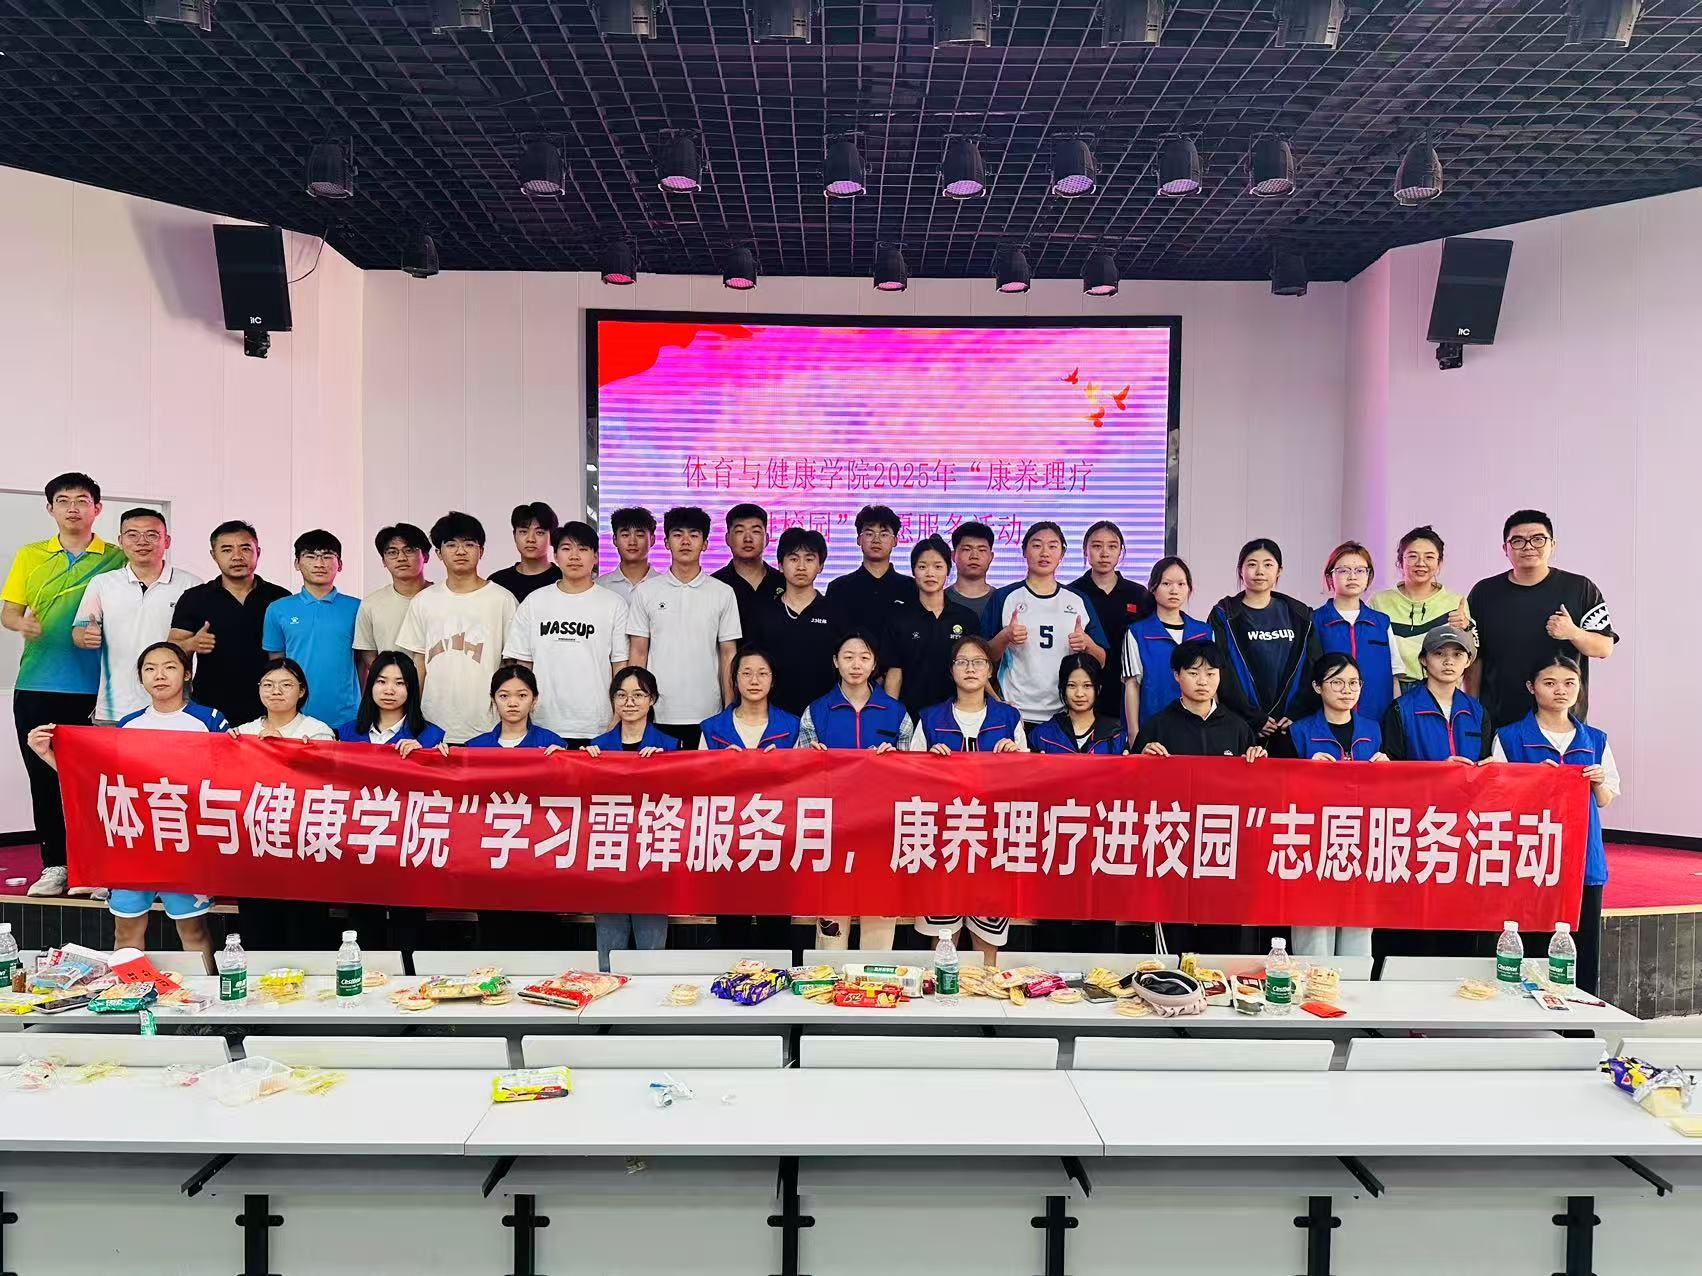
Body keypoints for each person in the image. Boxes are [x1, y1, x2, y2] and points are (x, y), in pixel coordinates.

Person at [27, 642, 222, 961]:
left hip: (184, 843)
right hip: (133, 843)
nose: (160, 675)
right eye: (150, 669)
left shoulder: (209, 720)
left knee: (193, 931)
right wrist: (48, 755)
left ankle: (206, 992)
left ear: (187, 674)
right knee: (127, 931)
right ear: (141, 678)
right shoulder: (129, 724)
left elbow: (229, 778)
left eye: (170, 667)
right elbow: (98, 779)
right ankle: (129, 988)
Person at [3, 473, 127, 897]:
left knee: (96, 783)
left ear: (97, 508)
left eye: (82, 500)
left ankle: (98, 869)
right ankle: (55, 865)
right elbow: (9, 612)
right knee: (44, 778)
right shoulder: (30, 555)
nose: (73, 508)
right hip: (37, 684)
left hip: (99, 689)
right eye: (63, 500)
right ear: (50, 508)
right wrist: (21, 624)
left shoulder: (117, 557)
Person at [1491, 653, 1619, 994]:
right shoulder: (1510, 737)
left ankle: (1579, 1014)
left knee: (1581, 945)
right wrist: (1532, 781)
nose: (1560, 690)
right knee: (1529, 941)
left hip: (1583, 858)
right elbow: (1497, 798)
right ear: (1531, 687)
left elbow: (1605, 798)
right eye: (1549, 683)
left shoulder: (1595, 739)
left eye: (1569, 683)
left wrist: (1597, 781)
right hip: (1530, 857)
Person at [797, 629, 913, 951]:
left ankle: (875, 977)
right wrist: (810, 760)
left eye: (864, 657)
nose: (856, 665)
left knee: (879, 924)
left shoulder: (896, 713)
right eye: (848, 657)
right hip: (833, 832)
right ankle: (830, 976)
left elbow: (914, 776)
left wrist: (897, 761)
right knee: (832, 929)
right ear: (836, 662)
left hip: (881, 830)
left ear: (875, 663)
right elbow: (799, 779)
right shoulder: (816, 711)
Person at [1467, 510, 1618, 727]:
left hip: (1564, 723)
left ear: (1552, 545)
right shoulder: (1484, 592)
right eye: (1518, 541)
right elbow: (1475, 658)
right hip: (1499, 720)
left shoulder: (1580, 589)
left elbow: (1604, 648)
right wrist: (1472, 709)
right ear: (1505, 549)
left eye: (1538, 539)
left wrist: (1573, 633)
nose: (1528, 546)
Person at [1287, 654, 1387, 960]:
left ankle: (1357, 987)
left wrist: (1388, 770)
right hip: (1313, 842)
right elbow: (1280, 790)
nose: (1347, 690)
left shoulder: (1374, 730)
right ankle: (1313, 985)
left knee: (1359, 926)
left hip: (1361, 841)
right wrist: (1304, 772)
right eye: (1337, 682)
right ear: (1317, 687)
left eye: (1354, 683)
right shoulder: (1298, 732)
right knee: (1315, 926)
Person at [583, 666, 678, 970]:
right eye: (622, 695)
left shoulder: (672, 746)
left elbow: (683, 800)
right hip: (609, 854)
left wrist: (664, 766)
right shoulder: (596, 747)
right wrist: (580, 764)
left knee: (651, 951)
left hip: (652, 855)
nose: (629, 702)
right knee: (608, 952)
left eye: (638, 695)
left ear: (652, 700)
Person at [395, 511, 518, 744]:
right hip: (432, 722)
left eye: (469, 544)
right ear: (438, 553)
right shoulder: (424, 601)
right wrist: (412, 717)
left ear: (481, 551)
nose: (460, 551)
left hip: (488, 724)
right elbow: (418, 664)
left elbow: (511, 664)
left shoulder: (502, 600)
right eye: (451, 545)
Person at [503, 521, 629, 747]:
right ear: (556, 556)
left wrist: (618, 714)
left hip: (597, 723)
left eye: (583, 549)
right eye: (566, 548)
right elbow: (523, 666)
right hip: (542, 722)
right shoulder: (534, 602)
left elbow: (620, 666)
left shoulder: (614, 604)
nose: (574, 556)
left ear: (595, 557)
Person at [625, 506, 740, 749]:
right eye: (677, 534)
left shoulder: (722, 592)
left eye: (694, 535)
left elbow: (728, 653)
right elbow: (638, 652)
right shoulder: (646, 592)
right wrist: (636, 703)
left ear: (705, 544)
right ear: (666, 542)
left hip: (708, 711)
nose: (685, 541)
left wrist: (729, 708)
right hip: (657, 711)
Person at [74, 506, 200, 727]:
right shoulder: (103, 583)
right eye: (132, 535)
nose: (142, 542)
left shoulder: (191, 585)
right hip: (115, 708)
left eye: (152, 535)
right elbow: (79, 632)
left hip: (176, 710)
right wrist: (85, 636)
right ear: (120, 541)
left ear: (167, 541)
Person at [168, 520, 290, 732]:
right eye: (226, 550)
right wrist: (192, 643)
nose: (237, 556)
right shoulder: (195, 598)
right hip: (210, 706)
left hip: (271, 705)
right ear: (213, 555)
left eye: (245, 549)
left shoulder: (280, 598)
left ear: (258, 552)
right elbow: (171, 650)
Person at [984, 521, 1107, 726]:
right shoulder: (1004, 597)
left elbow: (1101, 660)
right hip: (1014, 711)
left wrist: (1087, 644)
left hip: (1065, 713)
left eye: (1052, 546)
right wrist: (1005, 637)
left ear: (1062, 554)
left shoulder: (1077, 599)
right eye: (1036, 545)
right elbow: (985, 657)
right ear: (1024, 551)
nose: (1044, 553)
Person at [1208, 538, 1320, 758]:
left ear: (1279, 571)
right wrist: (1253, 717)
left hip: (1290, 726)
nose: (1260, 571)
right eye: (1252, 564)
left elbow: (1313, 666)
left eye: (1268, 564)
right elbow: (1221, 670)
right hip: (1242, 725)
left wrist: (1296, 713)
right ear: (1240, 570)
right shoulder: (1224, 614)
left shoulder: (1299, 614)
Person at [262, 529, 360, 730]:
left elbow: (364, 662)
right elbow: (277, 664)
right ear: (297, 563)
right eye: (310, 556)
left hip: (347, 716)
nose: (319, 563)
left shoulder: (358, 608)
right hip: (295, 717)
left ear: (340, 564)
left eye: (327, 556)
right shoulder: (278, 609)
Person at [882, 535, 979, 719]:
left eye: (938, 566)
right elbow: (895, 674)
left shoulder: (966, 618)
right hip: (911, 715)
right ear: (913, 571)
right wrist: (890, 718)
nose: (930, 573)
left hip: (958, 716)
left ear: (948, 570)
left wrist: (996, 701)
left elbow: (976, 669)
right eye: (922, 566)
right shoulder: (899, 619)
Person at [1367, 525, 1473, 688]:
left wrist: (1466, 628)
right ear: (1400, 561)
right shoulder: (1379, 601)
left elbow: (1470, 655)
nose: (1421, 563)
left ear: (1439, 563)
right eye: (1412, 556)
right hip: (1390, 688)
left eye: (1429, 557)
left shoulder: (1455, 602)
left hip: (1438, 689)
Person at [1068, 520, 1152, 722]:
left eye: (1112, 546)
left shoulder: (1138, 594)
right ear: (1085, 550)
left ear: (1120, 551)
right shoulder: (1072, 593)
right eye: (1097, 546)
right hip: (1082, 689)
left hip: (1128, 688)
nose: (1104, 553)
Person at [1133, 640, 1268, 761]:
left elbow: (1252, 777)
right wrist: (1143, 758)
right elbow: (1134, 773)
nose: (1202, 682)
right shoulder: (1156, 727)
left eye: (1210, 674)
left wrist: (1257, 758)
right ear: (1177, 675)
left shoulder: (1238, 727)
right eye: (1193, 673)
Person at [754, 527, 840, 715]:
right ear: (780, 565)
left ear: (821, 566)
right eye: (793, 559)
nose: (801, 567)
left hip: (825, 713)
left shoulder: (835, 612)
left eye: (809, 559)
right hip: (773, 714)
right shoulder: (764, 613)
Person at [1122, 555, 1212, 735]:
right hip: (1153, 729)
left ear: (1189, 588)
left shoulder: (1204, 632)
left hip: (1197, 728)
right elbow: (1132, 685)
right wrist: (1134, 735)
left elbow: (1212, 683)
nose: (1174, 590)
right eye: (1166, 583)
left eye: (1181, 584)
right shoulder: (1137, 633)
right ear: (1153, 588)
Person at [1314, 541, 1402, 723]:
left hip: (1376, 722)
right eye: (1343, 570)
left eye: (1360, 570)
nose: (1352, 576)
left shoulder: (1381, 622)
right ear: (1330, 577)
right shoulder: (1315, 621)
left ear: (1369, 576)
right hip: (1328, 723)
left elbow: (1394, 678)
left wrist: (1396, 722)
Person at [1382, 626, 1493, 764]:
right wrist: (1440, 771)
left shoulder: (1478, 712)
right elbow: (1393, 770)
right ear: (1423, 659)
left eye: (1457, 654)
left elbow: (1483, 765)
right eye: (1439, 653)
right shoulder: (1400, 710)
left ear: (1468, 661)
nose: (1449, 661)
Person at [355, 523, 431, 680]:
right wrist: (391, 681)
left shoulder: (442, 599)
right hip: (393, 690)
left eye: (409, 550)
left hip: (438, 688)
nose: (401, 558)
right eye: (392, 552)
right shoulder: (371, 604)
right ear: (383, 561)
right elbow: (368, 652)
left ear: (425, 556)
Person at [334, 651, 447, 754]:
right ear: (370, 685)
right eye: (381, 681)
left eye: (399, 683)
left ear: (411, 688)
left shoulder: (431, 737)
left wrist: (426, 753)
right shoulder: (346, 734)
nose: (389, 691)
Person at [824, 504, 915, 621]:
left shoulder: (910, 588)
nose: (876, 540)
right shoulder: (838, 588)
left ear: (895, 541)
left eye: (884, 534)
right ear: (859, 539)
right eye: (869, 534)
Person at [699, 647, 802, 750]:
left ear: (772, 681)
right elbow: (703, 761)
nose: (754, 681)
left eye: (762, 673)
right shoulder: (711, 729)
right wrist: (723, 759)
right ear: (735, 680)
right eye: (747, 673)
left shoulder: (792, 727)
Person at [711, 503, 785, 639]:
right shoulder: (714, 585)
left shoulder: (784, 582)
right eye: (739, 531)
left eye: (755, 531)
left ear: (767, 538)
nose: (748, 539)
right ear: (727, 538)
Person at [1029, 653, 1125, 754]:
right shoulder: (1042, 736)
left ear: (1098, 689)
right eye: (1072, 685)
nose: (1079, 694)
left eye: (1087, 685)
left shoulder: (1117, 736)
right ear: (1062, 688)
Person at [463, 664, 568, 750]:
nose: (512, 703)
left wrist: (562, 759)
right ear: (493, 700)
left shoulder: (551, 743)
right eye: (504, 696)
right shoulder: (476, 747)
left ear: (534, 699)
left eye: (522, 695)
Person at [231, 656, 336, 740]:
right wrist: (228, 741)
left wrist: (285, 747)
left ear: (301, 691)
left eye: (286, 685)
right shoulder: (244, 733)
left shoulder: (317, 733)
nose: (276, 691)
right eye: (268, 685)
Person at [489, 501, 562, 603]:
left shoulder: (563, 580)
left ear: (551, 537)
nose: (530, 539)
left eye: (539, 532)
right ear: (514, 536)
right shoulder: (497, 582)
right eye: (523, 532)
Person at [597, 506, 660, 601]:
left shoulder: (665, 586)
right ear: (614, 539)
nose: (632, 542)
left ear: (652, 539)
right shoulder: (600, 586)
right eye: (625, 535)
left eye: (640, 535)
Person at [946, 520, 997, 626]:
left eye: (982, 550)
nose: (974, 556)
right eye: (966, 549)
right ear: (953, 555)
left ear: (991, 557)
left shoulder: (1002, 600)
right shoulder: (941, 600)